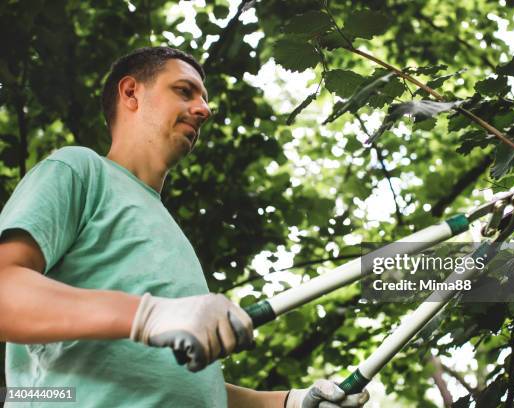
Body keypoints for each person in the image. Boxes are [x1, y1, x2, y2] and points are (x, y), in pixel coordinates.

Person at [0, 47, 369, 407]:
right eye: (184, 91)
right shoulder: (80, 169)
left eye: (204, 99)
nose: (204, 110)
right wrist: (151, 314)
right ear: (131, 93)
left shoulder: (168, 230)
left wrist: (290, 402)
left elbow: (181, 385)